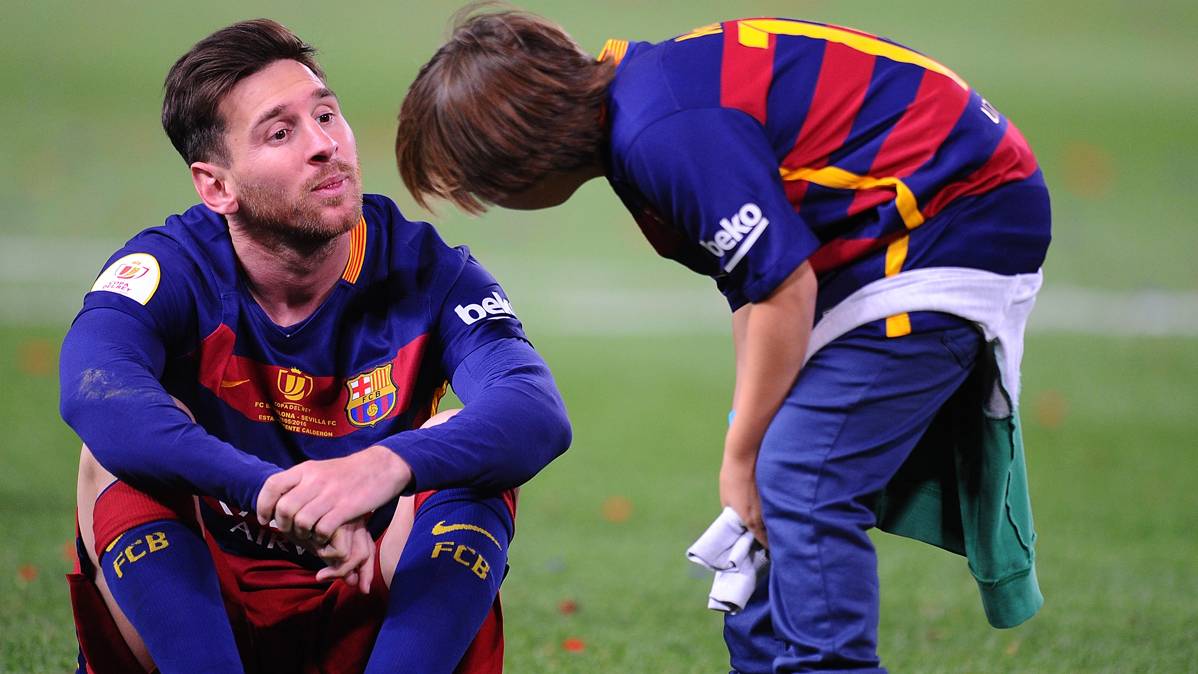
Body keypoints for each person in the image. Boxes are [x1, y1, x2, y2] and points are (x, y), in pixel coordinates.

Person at [395, 10, 1050, 674]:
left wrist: (743, 458)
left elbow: (784, 288)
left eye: (479, 185)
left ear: (516, 156)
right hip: (904, 225)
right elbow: (754, 289)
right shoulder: (641, 107)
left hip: (953, 217)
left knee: (799, 476)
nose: (486, 202)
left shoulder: (658, 131)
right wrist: (749, 437)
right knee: (773, 477)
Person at [59, 18, 571, 674]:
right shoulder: (172, 269)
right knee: (104, 457)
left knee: (472, 451)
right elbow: (95, 394)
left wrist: (382, 465)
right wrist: (276, 491)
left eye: (327, 114)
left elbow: (534, 409)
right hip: (210, 607)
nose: (325, 145)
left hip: (367, 603)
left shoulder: (426, 271)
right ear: (217, 186)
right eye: (282, 131)